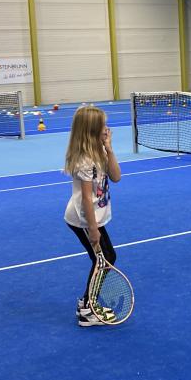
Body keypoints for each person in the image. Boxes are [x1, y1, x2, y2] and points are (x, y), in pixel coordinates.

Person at [64, 106, 122, 326]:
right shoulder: (85, 160)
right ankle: (88, 309)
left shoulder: (99, 152)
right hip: (84, 219)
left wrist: (109, 148)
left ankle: (87, 302)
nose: (106, 128)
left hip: (93, 218)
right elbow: (87, 200)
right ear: (91, 130)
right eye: (102, 125)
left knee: (105, 258)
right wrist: (93, 229)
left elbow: (116, 176)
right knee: (105, 258)